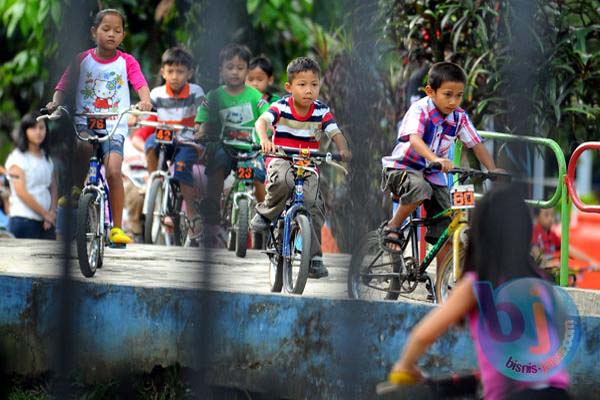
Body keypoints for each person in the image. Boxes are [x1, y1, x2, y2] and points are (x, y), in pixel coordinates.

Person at [390, 186, 571, 400]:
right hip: (558, 392)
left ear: (479, 233)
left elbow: (422, 336)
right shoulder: (540, 282)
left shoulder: (479, 283)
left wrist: (405, 366)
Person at [45, 8, 152, 245]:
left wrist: (145, 101)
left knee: (114, 171)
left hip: (115, 126)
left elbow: (140, 84)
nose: (111, 34)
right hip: (85, 123)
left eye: (117, 30)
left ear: (123, 35)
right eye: (106, 29)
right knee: (82, 146)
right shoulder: (82, 60)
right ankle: (75, 187)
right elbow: (63, 86)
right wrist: (55, 103)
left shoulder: (127, 62)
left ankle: (116, 228)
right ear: (94, 32)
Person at [381, 61, 501, 265]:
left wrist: (493, 169)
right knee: (420, 188)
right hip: (402, 168)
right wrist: (435, 158)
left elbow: (476, 144)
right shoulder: (420, 110)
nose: (454, 101)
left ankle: (440, 290)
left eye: (459, 95)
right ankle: (393, 226)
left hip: (432, 174)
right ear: (430, 91)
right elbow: (414, 139)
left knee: (448, 225)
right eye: (448, 94)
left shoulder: (459, 118)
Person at [251, 57, 351, 279]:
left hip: (308, 164)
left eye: (314, 85)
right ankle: (266, 213)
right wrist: (265, 139)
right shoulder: (281, 106)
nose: (309, 90)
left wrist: (343, 149)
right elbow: (262, 122)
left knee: (313, 203)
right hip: (281, 158)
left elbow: (335, 132)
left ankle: (314, 257)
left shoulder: (321, 111)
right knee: (283, 181)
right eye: (302, 84)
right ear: (289, 87)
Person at [194, 43, 269, 246]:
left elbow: (268, 116)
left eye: (240, 67)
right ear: (221, 70)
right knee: (217, 164)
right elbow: (202, 118)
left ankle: (264, 214)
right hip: (225, 146)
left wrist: (270, 134)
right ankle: (212, 209)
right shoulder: (215, 96)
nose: (235, 72)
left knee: (259, 177)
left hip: (251, 149)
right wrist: (200, 130)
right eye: (230, 67)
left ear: (247, 70)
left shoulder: (255, 96)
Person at [132, 46, 206, 239]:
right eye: (170, 71)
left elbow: (203, 115)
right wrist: (135, 116)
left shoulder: (196, 92)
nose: (175, 76)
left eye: (180, 71)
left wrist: (202, 127)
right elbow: (144, 112)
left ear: (189, 73)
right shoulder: (156, 93)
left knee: (182, 171)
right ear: (163, 72)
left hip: (187, 141)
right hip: (165, 139)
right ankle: (154, 180)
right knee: (150, 143)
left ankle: (191, 211)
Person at [5, 112, 57, 239]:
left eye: (41, 127)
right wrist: (45, 214)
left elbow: (53, 187)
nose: (38, 132)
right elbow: (21, 192)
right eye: (33, 128)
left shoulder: (46, 158)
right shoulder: (17, 158)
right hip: (23, 221)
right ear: (25, 131)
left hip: (47, 223)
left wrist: (52, 213)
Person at [246, 55, 280, 203]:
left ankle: (264, 208)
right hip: (245, 146)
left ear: (270, 80)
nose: (254, 84)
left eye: (259, 80)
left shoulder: (276, 103)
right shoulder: (242, 99)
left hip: (268, 149)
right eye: (250, 79)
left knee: (263, 175)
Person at [531, 208, 595, 267]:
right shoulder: (534, 232)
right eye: (546, 215)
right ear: (537, 217)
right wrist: (549, 264)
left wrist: (590, 261)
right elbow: (535, 251)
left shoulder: (552, 234)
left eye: (552, 215)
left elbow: (567, 248)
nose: (550, 218)